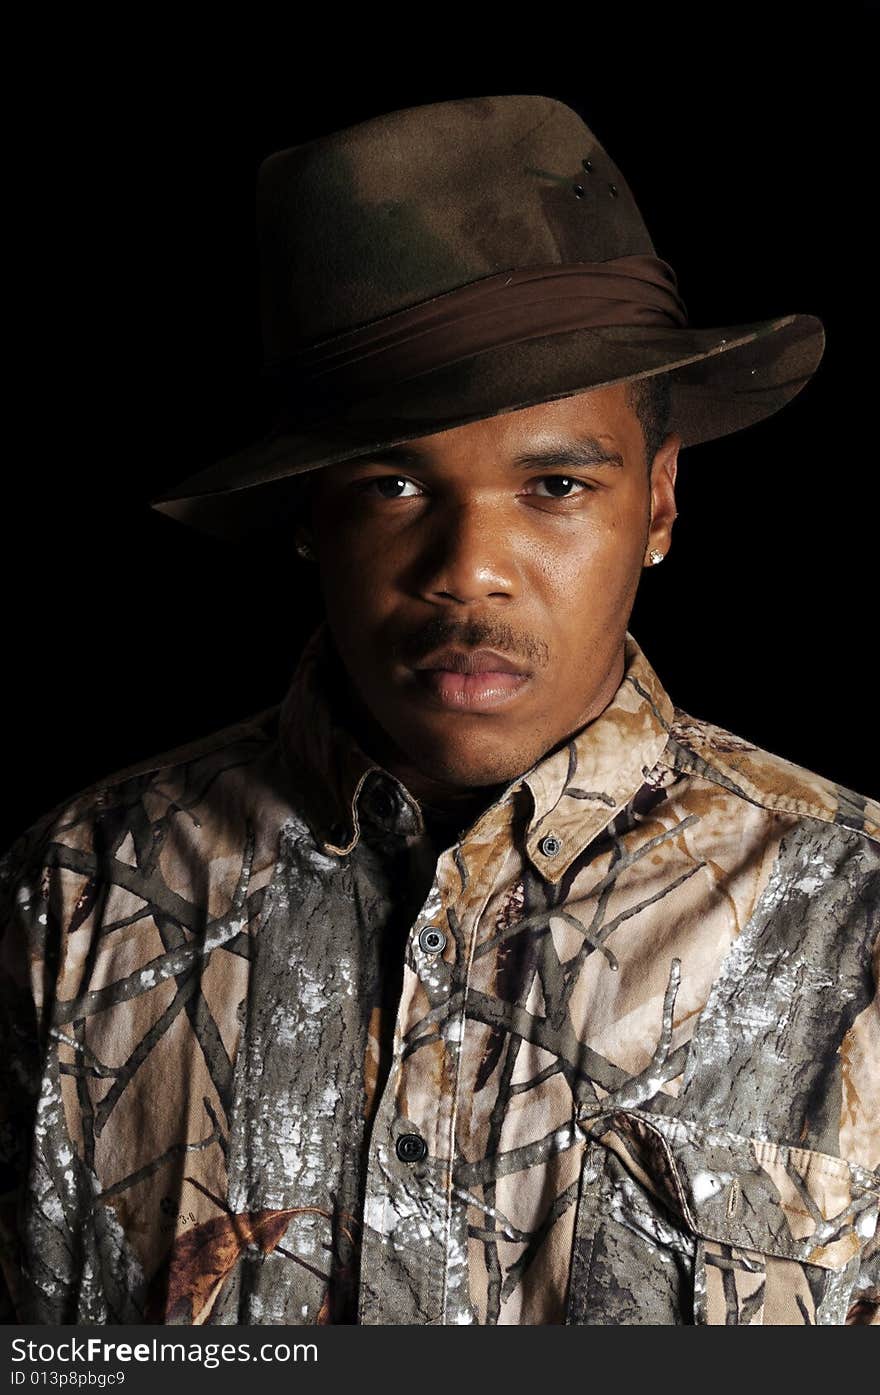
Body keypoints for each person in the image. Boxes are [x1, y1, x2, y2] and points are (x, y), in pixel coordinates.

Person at [1, 94, 877, 1327]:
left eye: (556, 483)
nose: (469, 567)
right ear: (310, 514)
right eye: (395, 481)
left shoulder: (854, 917)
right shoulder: (86, 896)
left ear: (661, 504)